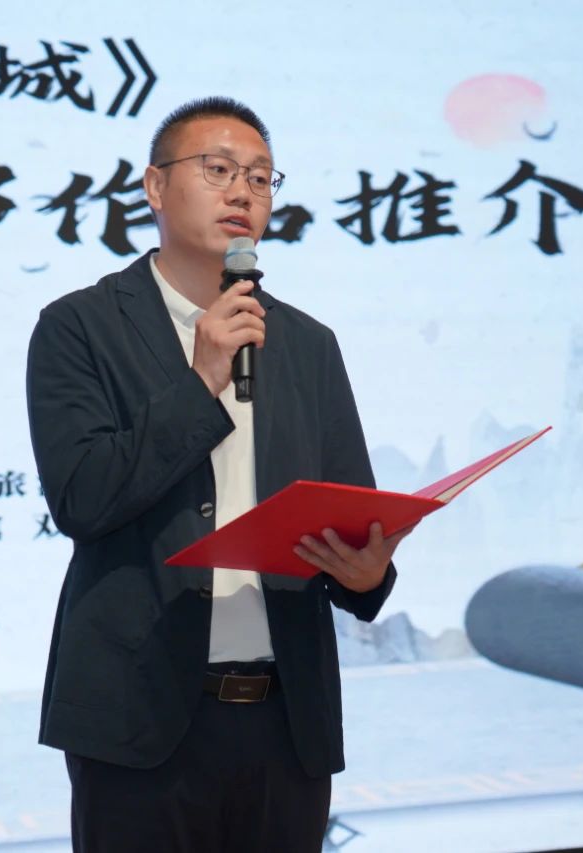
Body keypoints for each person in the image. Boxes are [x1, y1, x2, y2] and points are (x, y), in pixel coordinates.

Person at [25, 96, 411, 853]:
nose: (243, 192)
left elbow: (350, 511)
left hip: (285, 725)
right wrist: (200, 380)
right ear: (155, 186)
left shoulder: (308, 344)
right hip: (140, 724)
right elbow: (82, 497)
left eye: (261, 178)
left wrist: (368, 576)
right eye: (219, 170)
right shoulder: (79, 327)